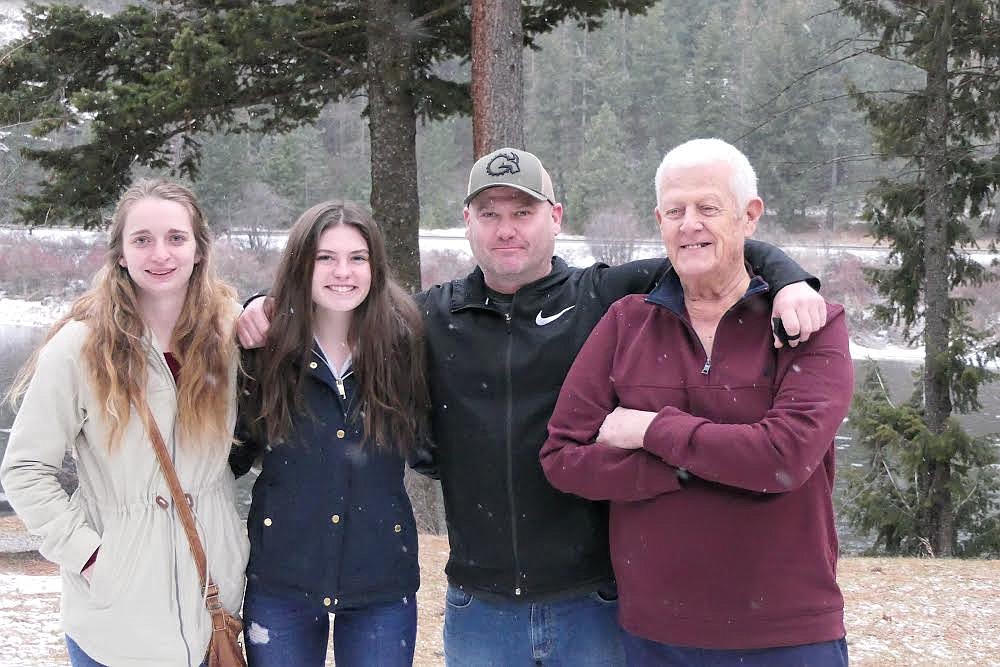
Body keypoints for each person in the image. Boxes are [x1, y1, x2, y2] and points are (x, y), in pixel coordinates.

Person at [236, 147, 828, 666]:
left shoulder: (603, 296)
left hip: (592, 596)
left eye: (523, 212)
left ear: (555, 217)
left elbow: (710, 248)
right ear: (467, 222)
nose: (506, 229)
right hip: (479, 603)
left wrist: (791, 279)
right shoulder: (429, 318)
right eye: (489, 214)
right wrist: (261, 304)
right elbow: (336, 306)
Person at [540, 138, 854, 666]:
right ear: (658, 219)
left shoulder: (808, 325)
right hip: (657, 636)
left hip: (788, 633)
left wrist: (648, 431)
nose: (690, 224)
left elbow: (783, 459)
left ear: (749, 216)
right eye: (675, 211)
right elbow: (563, 457)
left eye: (709, 208)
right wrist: (681, 472)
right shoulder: (626, 322)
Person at [0, 179, 248, 667]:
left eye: (176, 238)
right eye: (142, 240)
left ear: (199, 250)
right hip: (114, 616)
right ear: (120, 254)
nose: (160, 253)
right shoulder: (79, 347)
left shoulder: (232, 334)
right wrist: (93, 558)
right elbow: (26, 469)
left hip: (212, 602)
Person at [229, 201, 430, 667]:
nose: (343, 272)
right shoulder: (266, 347)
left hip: (380, 579)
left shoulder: (405, 344)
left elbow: (430, 442)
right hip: (282, 579)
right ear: (302, 263)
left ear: (375, 266)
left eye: (357, 257)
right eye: (325, 257)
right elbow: (232, 453)